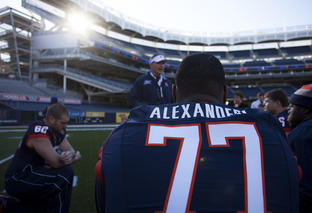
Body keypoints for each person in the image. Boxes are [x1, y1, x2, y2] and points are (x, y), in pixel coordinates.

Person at [95, 53, 300, 213]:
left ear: (173, 93)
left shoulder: (127, 131)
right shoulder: (269, 128)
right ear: (225, 94)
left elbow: (105, 176)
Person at [0, 103, 81, 213]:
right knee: (64, 174)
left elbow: (70, 150)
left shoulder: (58, 131)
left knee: (42, 208)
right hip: (18, 179)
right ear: (52, 119)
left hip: (35, 176)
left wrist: (69, 154)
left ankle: (5, 205)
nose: (66, 126)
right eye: (63, 122)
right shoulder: (39, 130)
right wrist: (73, 157)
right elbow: (56, 163)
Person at [288, 84, 312, 213]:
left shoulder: (304, 133)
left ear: (306, 109)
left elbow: (305, 187)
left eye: (292, 106)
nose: (288, 110)